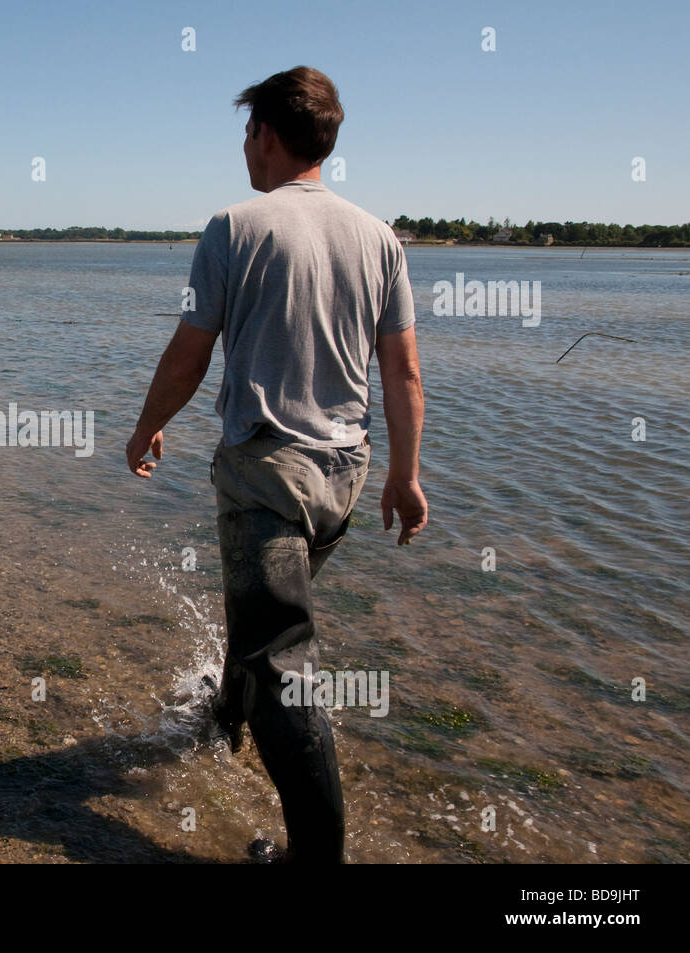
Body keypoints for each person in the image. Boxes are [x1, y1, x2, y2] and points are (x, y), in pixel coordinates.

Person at [124, 66, 427, 863]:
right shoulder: (377, 236)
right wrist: (407, 473)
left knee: (279, 657)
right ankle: (223, 719)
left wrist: (148, 425)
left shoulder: (234, 225)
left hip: (267, 475)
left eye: (248, 132)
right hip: (345, 476)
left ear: (265, 134)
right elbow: (402, 372)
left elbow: (190, 352)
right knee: (264, 623)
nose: (245, 148)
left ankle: (317, 857)